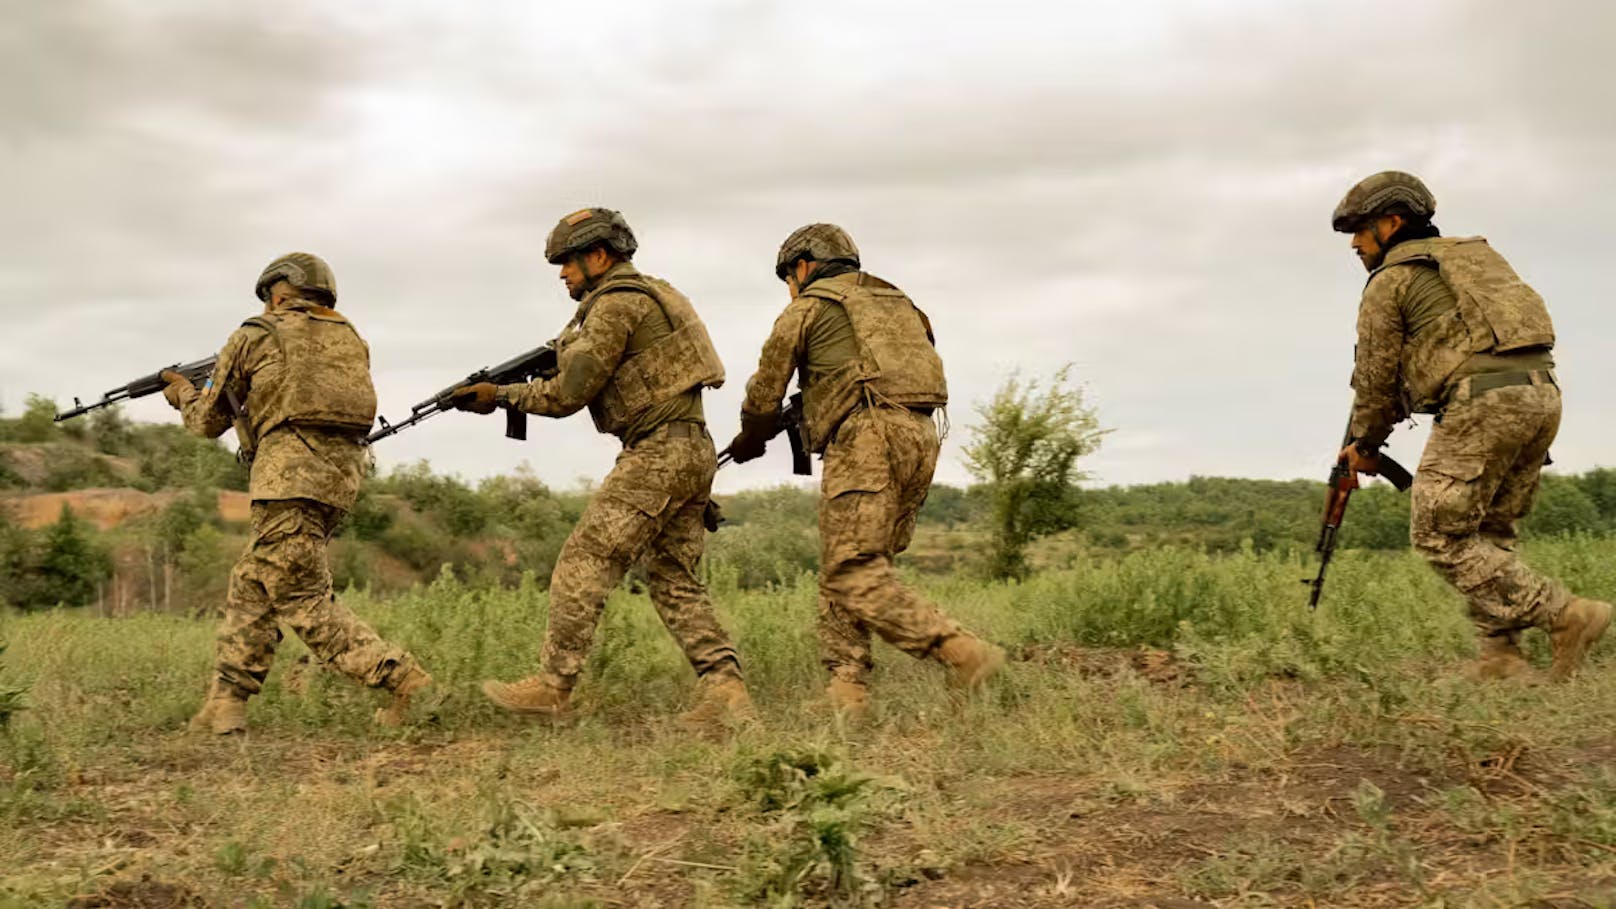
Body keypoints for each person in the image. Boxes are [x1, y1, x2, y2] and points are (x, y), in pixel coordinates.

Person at [451, 208, 751, 728]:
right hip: (692, 447)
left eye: (568, 262)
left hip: (658, 453)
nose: (562, 274)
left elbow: (569, 394)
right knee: (673, 577)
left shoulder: (613, 305)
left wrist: (500, 396)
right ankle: (725, 692)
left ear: (598, 256)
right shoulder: (657, 293)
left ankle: (553, 686)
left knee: (584, 560)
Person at [1330, 171, 1610, 681]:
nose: (1354, 242)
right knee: (1490, 531)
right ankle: (1500, 658)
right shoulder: (1475, 261)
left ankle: (1566, 615)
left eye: (1361, 230)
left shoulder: (1390, 279)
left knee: (1438, 534)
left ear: (1392, 224)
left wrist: (1365, 444)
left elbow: (1375, 377)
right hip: (1541, 393)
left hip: (1482, 402)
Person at [728, 223, 1004, 719]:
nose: (790, 288)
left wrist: (750, 438)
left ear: (804, 266)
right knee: (851, 561)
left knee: (853, 570)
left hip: (868, 435)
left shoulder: (809, 307)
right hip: (922, 436)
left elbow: (765, 391)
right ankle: (846, 686)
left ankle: (959, 651)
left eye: (789, 278)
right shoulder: (900, 303)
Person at [164, 252, 431, 734]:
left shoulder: (255, 334)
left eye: (270, 299)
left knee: (302, 597)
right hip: (338, 480)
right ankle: (226, 705)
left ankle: (402, 679)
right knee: (252, 582)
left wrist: (182, 392)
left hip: (286, 479)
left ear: (280, 294)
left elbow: (207, 421)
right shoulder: (350, 338)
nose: (268, 307)